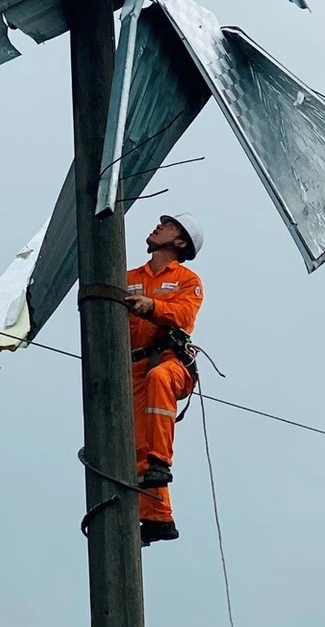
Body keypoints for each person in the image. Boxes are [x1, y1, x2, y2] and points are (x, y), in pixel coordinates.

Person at [124, 212, 204, 546]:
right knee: (137, 444)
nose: (159, 226)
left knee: (160, 380)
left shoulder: (187, 279)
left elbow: (184, 314)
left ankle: (161, 463)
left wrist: (151, 306)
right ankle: (158, 519)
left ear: (180, 242)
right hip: (131, 368)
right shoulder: (127, 275)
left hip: (169, 361)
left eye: (168, 225)